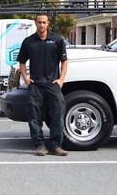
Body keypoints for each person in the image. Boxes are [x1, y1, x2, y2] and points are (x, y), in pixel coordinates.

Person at [17, 12, 68, 156]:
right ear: (35, 23)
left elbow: (64, 61)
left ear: (48, 24)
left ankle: (55, 145)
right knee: (34, 117)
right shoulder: (29, 42)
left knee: (58, 114)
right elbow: (21, 62)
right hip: (36, 85)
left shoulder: (57, 40)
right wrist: (26, 79)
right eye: (39, 22)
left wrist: (61, 79)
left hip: (53, 84)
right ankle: (40, 145)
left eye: (44, 22)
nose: (42, 25)